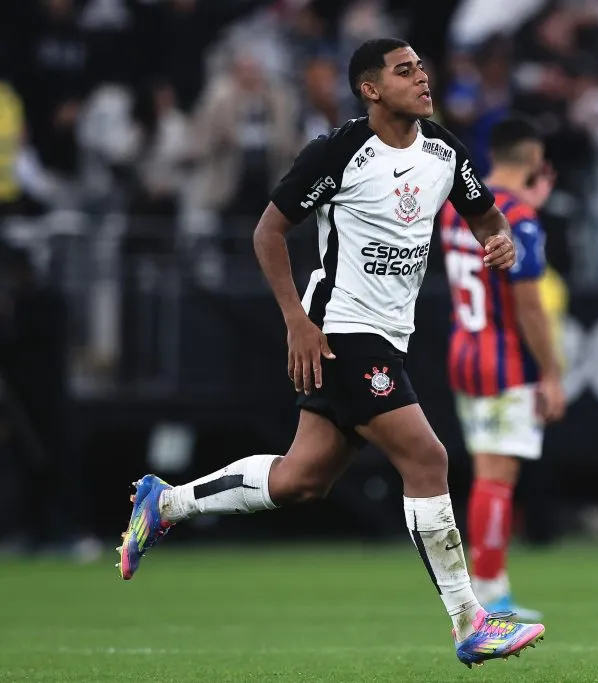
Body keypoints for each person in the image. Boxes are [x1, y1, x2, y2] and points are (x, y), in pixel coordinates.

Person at [117, 38, 545, 669]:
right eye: (405, 71)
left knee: (302, 479)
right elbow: (269, 230)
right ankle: (469, 620)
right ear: (370, 89)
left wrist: (499, 241)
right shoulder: (340, 152)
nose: (422, 78)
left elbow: (484, 216)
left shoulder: (444, 151)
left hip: (389, 335)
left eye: (422, 68)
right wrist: (296, 321)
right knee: (428, 458)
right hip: (342, 328)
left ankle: (169, 502)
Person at [439, 115, 566, 620]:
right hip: (502, 356)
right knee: (498, 475)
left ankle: (489, 586)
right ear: (535, 161)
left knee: (486, 471)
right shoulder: (522, 219)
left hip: (463, 348)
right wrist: (552, 372)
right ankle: (490, 593)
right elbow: (529, 304)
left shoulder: (456, 209)